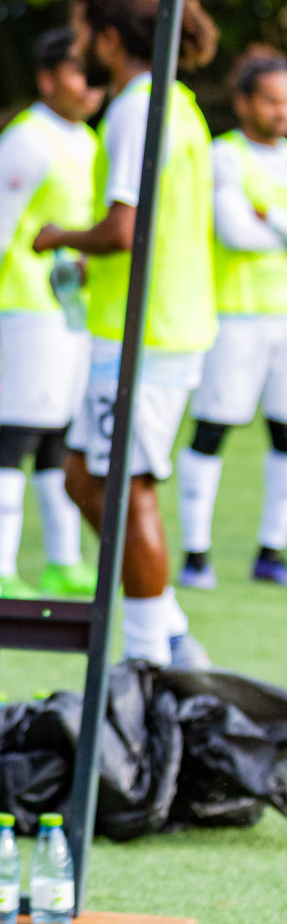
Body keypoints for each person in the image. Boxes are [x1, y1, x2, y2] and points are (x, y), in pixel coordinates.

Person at [32, 0, 219, 668]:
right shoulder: (175, 100)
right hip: (152, 322)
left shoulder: (138, 107)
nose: (77, 42)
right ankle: (166, 630)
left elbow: (122, 228)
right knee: (85, 475)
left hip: (149, 333)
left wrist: (58, 238)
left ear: (108, 37)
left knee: (118, 485)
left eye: (82, 29)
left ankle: (154, 661)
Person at [0, 27, 105, 599]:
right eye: (79, 72)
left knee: (59, 438)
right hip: (32, 304)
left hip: (71, 308)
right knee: (20, 432)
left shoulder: (87, 140)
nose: (91, 87)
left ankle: (62, 561)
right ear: (47, 79)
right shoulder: (26, 141)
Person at [177, 46, 287, 589]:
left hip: (284, 320)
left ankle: (273, 549)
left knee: (284, 436)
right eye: (271, 101)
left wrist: (274, 217)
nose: (281, 112)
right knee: (212, 430)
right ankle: (196, 552)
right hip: (236, 318)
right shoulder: (225, 156)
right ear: (244, 103)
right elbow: (235, 232)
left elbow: (258, 228)